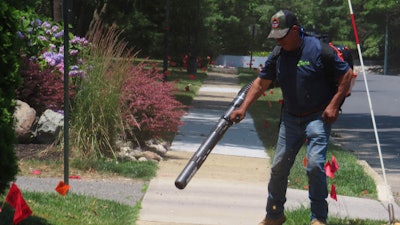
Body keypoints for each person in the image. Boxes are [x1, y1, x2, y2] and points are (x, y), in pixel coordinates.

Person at [230, 9, 354, 225]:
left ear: (295, 30)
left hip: (317, 117)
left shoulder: (318, 50)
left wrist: (334, 105)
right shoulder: (278, 54)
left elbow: (346, 74)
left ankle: (318, 219)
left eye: (282, 36)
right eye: (276, 36)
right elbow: (261, 83)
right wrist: (243, 107)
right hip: (290, 118)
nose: (279, 41)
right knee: (279, 167)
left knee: (315, 165)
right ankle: (274, 214)